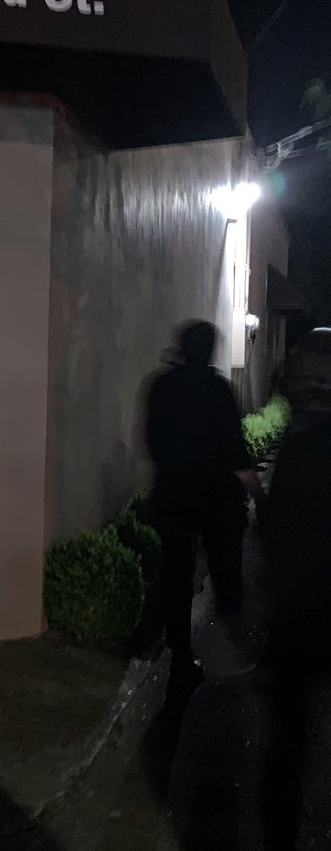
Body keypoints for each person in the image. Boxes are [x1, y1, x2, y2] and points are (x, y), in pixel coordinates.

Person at [144, 320, 265, 696]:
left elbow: (150, 439)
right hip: (214, 498)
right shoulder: (217, 390)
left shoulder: (161, 386)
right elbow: (236, 451)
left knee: (176, 577)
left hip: (173, 494)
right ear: (210, 350)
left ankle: (181, 657)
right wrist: (260, 496)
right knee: (225, 569)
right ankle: (235, 655)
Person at [260, 328, 331, 849]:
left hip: (298, 614)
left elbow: (274, 532)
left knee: (289, 740)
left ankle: (281, 834)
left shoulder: (298, 452)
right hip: (306, 610)